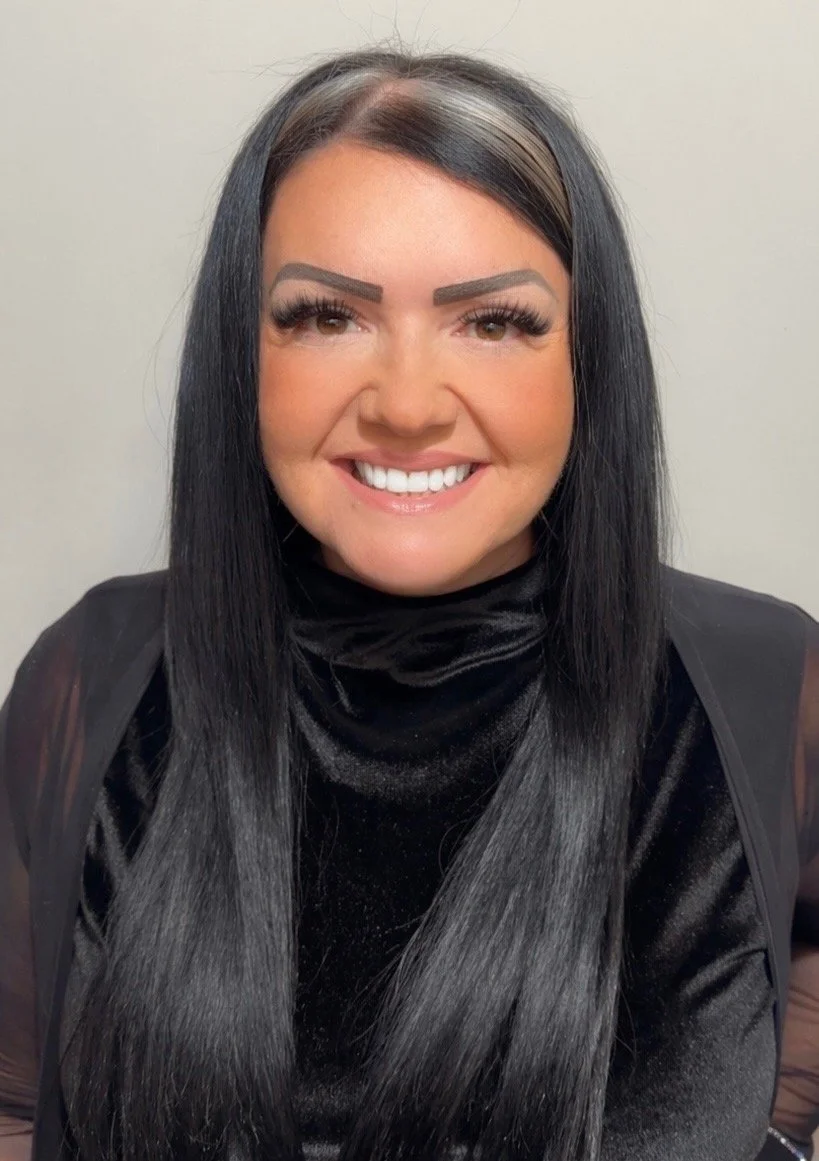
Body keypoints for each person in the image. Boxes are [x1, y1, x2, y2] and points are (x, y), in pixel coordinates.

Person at [1, 43, 818, 1161]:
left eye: (494, 322)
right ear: (245, 355)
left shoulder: (768, 687)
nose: (406, 404)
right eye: (326, 316)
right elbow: (13, 1102)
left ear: (587, 357)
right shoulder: (90, 681)